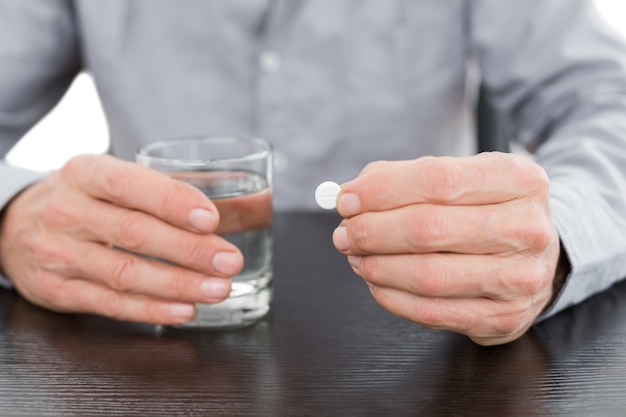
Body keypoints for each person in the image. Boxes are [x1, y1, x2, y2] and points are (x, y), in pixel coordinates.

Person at [1, 0, 625, 346]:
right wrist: (12, 213)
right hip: (159, 340)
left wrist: (557, 236)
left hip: (416, 343)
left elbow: (608, 97)